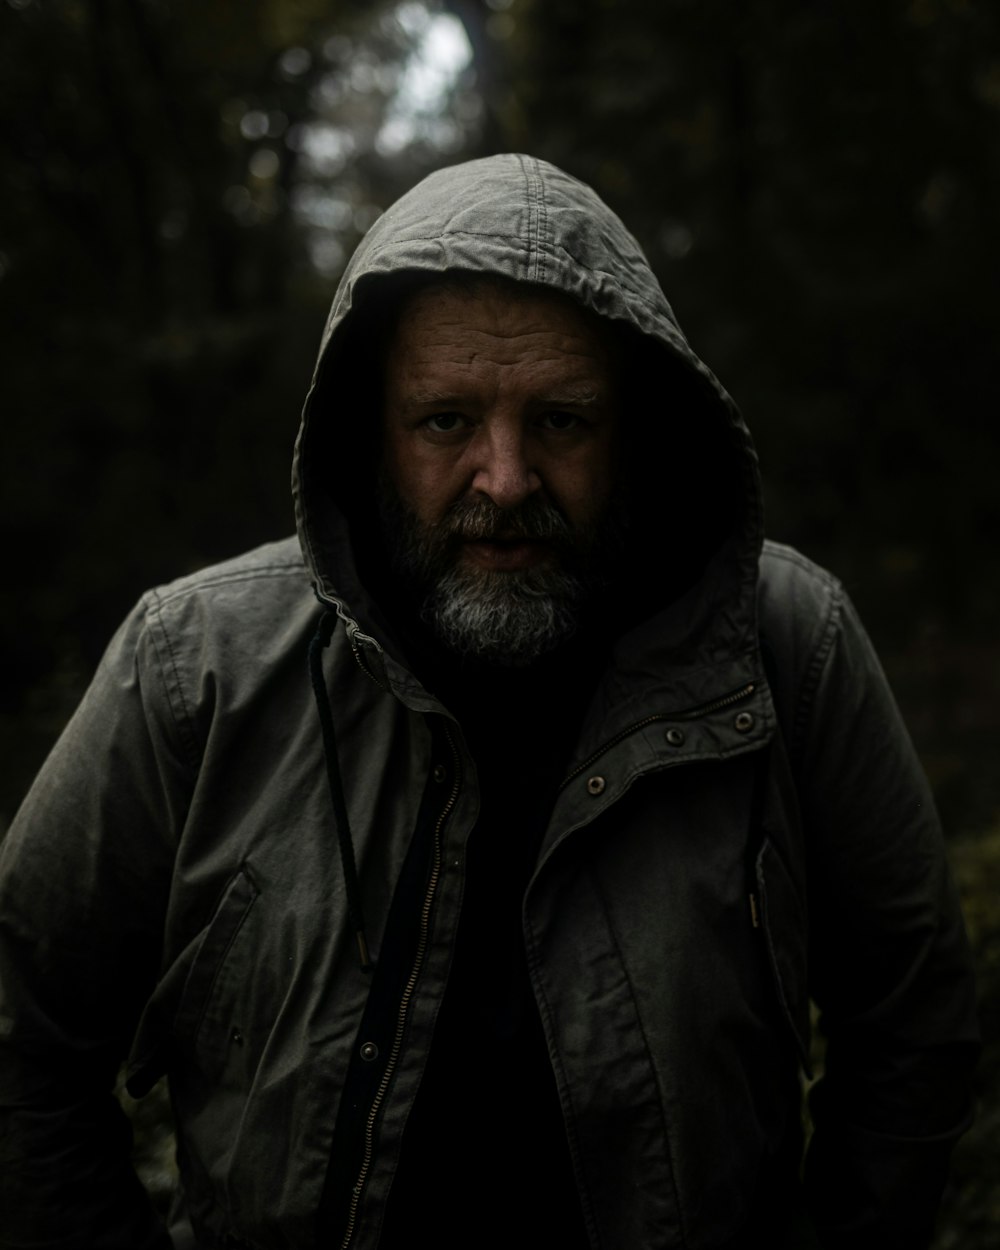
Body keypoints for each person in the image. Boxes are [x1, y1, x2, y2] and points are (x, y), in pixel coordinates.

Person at [0, 154, 979, 1250]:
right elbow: (24, 1027)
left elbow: (912, 1026)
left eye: (560, 420)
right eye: (445, 421)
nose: (504, 478)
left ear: (637, 430)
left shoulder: (793, 649)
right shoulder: (193, 666)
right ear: (370, 433)